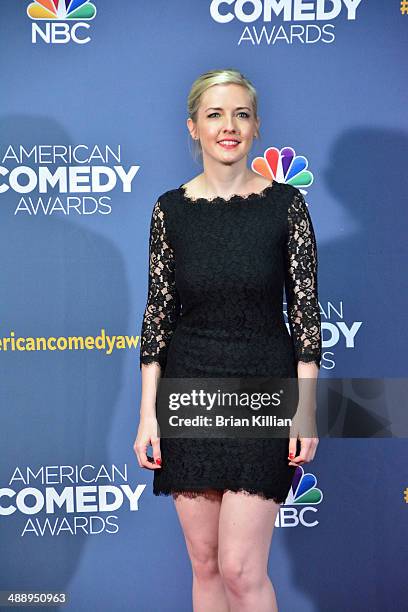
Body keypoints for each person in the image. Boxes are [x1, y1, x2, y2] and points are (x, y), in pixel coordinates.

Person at [134, 68, 322, 612]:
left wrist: (305, 410)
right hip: (189, 389)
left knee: (242, 568)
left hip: (264, 389)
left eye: (241, 114)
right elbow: (159, 317)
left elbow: (306, 313)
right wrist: (149, 415)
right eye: (214, 114)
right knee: (206, 561)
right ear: (193, 128)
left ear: (257, 126)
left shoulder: (287, 207)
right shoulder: (169, 211)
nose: (228, 126)